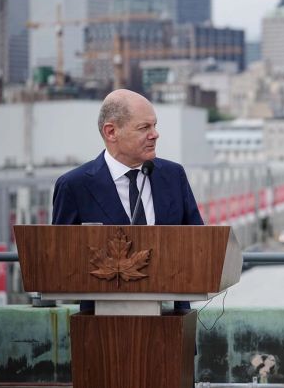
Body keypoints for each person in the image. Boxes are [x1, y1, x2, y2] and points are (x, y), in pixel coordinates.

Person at [52, 89, 203, 311]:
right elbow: (60, 260)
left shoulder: (173, 175)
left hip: (172, 320)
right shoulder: (74, 186)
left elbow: (198, 242)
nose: (155, 134)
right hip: (102, 324)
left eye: (154, 125)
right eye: (144, 128)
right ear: (111, 132)